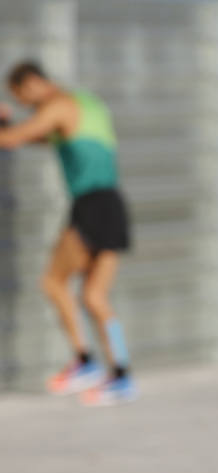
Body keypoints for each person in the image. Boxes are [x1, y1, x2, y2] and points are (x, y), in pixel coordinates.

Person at [0, 60, 135, 405]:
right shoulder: (85, 103)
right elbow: (44, 138)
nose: (26, 105)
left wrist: (5, 126)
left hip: (92, 205)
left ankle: (85, 362)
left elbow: (14, 139)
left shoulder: (57, 105)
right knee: (93, 297)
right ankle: (121, 376)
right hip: (111, 203)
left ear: (31, 83)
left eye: (21, 96)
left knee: (53, 282)